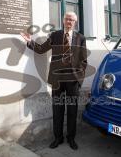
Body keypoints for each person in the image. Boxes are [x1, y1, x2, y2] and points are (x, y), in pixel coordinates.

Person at [20, 12, 87, 150]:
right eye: (67, 19)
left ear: (75, 22)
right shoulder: (55, 35)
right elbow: (41, 49)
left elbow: (83, 60)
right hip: (57, 80)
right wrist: (29, 41)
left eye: (72, 20)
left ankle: (71, 138)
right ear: (63, 20)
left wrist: (79, 79)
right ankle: (58, 138)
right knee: (57, 109)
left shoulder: (81, 38)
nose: (69, 22)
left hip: (72, 80)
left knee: (72, 111)